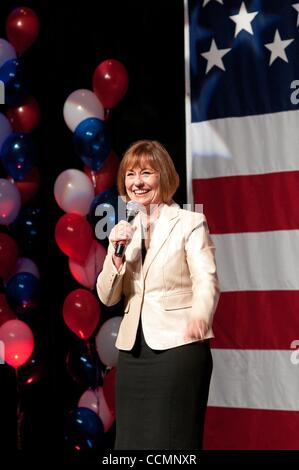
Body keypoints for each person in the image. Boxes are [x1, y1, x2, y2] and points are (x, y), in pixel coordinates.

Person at [96, 140, 220, 450]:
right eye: (130, 175)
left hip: (178, 348)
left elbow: (206, 280)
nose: (136, 182)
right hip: (133, 351)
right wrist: (116, 257)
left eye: (146, 173)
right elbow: (107, 297)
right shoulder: (124, 230)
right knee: (130, 444)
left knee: (171, 442)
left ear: (162, 176)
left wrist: (200, 316)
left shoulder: (189, 222)